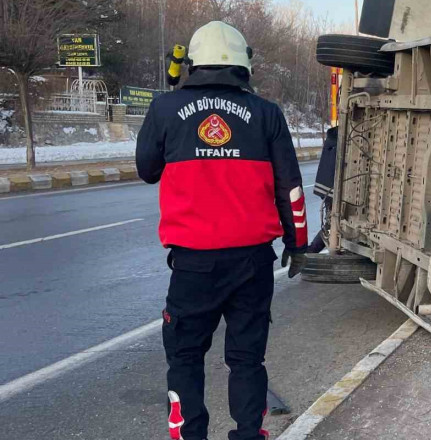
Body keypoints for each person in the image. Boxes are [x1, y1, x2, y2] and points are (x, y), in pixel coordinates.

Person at [136, 21, 307, 440]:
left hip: (193, 264)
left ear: (193, 63)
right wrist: (297, 243)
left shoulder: (165, 108)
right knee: (247, 358)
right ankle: (249, 434)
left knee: (185, 355)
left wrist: (172, 116)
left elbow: (146, 169)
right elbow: (291, 187)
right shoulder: (266, 113)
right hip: (252, 261)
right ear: (242, 65)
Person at [307, 126, 337, 254]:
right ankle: (310, 252)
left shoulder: (334, 136)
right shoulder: (341, 139)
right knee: (331, 226)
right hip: (330, 189)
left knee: (331, 224)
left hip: (325, 187)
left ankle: (311, 251)